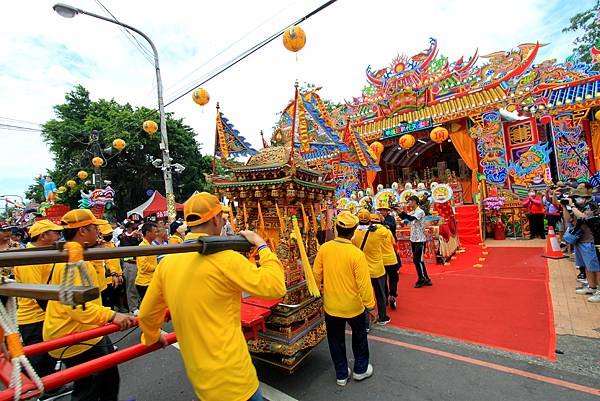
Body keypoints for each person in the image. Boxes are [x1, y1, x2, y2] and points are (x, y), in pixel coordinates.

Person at [138, 192, 286, 401]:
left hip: (201, 381)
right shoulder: (226, 258)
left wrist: (153, 336)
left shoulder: (168, 263)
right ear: (216, 219)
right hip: (235, 380)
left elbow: (146, 315)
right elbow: (276, 286)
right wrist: (262, 245)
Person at [43, 209, 135, 401]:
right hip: (75, 334)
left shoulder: (72, 253)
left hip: (84, 328)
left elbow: (95, 288)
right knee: (90, 390)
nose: (99, 233)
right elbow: (77, 306)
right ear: (83, 231)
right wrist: (112, 316)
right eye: (95, 228)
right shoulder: (73, 262)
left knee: (109, 379)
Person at [314, 211, 375, 386]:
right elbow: (364, 285)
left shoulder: (325, 248)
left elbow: (316, 274)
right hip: (354, 307)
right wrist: (370, 305)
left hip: (331, 306)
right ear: (353, 232)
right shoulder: (356, 254)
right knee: (359, 337)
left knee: (335, 339)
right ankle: (360, 370)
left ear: (336, 228)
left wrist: (318, 290)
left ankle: (341, 374)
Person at [14, 220, 63, 378]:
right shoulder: (30, 258)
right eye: (56, 233)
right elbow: (37, 293)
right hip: (34, 317)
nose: (59, 236)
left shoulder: (43, 253)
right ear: (43, 235)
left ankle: (51, 387)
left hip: (43, 313)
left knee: (45, 357)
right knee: (36, 360)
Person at [352, 209, 391, 326]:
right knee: (380, 294)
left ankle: (366, 322)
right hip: (377, 269)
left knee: (363, 296)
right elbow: (387, 231)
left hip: (361, 269)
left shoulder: (354, 233)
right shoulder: (378, 232)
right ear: (369, 220)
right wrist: (378, 226)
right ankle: (382, 317)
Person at [566, 189, 600, 302]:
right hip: (579, 240)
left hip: (591, 240)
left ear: (585, 197)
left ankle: (599, 291)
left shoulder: (591, 206)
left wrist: (573, 206)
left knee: (595, 267)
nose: (575, 199)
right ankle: (591, 287)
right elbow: (568, 220)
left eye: (577, 197)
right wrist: (565, 207)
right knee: (586, 266)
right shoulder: (577, 207)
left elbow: (583, 217)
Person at [399, 195, 432, 288]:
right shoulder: (413, 212)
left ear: (414, 202)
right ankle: (425, 278)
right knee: (418, 260)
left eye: (410, 201)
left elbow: (410, 218)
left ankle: (422, 278)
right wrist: (398, 212)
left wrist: (402, 213)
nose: (409, 203)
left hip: (420, 240)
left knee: (418, 260)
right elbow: (405, 219)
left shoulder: (420, 212)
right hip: (413, 239)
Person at [97, 223, 126, 312]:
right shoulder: (99, 247)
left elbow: (116, 261)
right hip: (107, 278)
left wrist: (119, 274)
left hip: (116, 275)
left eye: (110, 234)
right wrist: (113, 274)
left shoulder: (112, 244)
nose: (109, 236)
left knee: (119, 292)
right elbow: (107, 262)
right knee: (108, 300)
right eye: (107, 234)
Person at [376, 213, 400, 309]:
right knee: (393, 278)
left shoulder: (372, 233)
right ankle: (393, 295)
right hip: (391, 259)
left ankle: (385, 298)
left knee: (383, 280)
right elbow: (394, 244)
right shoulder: (387, 231)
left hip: (380, 260)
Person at [118, 221, 142, 315]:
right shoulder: (123, 237)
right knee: (131, 286)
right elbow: (129, 250)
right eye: (133, 228)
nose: (136, 230)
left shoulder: (137, 237)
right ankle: (133, 307)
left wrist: (138, 238)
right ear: (129, 229)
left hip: (138, 263)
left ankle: (138, 304)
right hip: (130, 264)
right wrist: (134, 238)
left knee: (138, 285)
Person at [135, 222, 159, 302]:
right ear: (148, 233)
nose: (157, 234)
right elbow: (143, 267)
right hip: (144, 282)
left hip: (151, 280)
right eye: (155, 232)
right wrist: (157, 267)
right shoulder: (142, 246)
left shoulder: (151, 245)